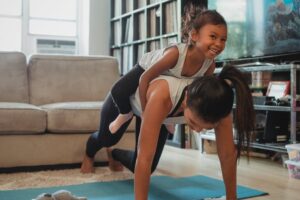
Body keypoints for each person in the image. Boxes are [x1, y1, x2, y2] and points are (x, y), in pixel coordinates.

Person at [81, 65, 255, 200]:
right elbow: (145, 157)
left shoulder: (219, 104)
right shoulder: (164, 97)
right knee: (107, 138)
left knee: (143, 168)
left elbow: (227, 155)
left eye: (206, 128)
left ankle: (114, 154)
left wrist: (231, 198)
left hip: (156, 115)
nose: (198, 130)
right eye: (193, 122)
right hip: (125, 103)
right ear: (186, 99)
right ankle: (89, 153)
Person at [108, 7, 228, 134]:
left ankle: (168, 121)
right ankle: (125, 113)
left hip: (172, 79)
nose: (219, 44)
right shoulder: (175, 54)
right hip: (146, 67)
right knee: (118, 90)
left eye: (223, 39)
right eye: (213, 36)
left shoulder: (210, 66)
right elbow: (144, 78)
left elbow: (198, 95)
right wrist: (145, 113)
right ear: (194, 35)